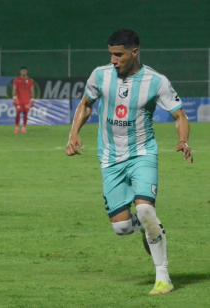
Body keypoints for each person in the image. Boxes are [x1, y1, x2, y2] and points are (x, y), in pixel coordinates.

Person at [66, 29, 193, 295]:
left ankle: (163, 278)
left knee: (146, 210)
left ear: (134, 53)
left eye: (119, 54)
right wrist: (74, 132)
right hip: (110, 158)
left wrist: (183, 140)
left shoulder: (156, 81)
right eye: (111, 54)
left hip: (142, 153)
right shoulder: (100, 75)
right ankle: (151, 229)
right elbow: (86, 104)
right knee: (122, 227)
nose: (113, 59)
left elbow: (179, 115)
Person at [12, 66, 35, 133]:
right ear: (20, 72)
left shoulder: (30, 80)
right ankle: (16, 127)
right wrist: (14, 98)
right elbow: (14, 89)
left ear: (26, 72)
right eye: (22, 71)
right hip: (19, 99)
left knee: (25, 113)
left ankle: (24, 127)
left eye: (25, 71)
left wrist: (32, 100)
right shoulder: (17, 79)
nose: (24, 72)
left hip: (26, 100)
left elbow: (32, 90)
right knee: (18, 113)